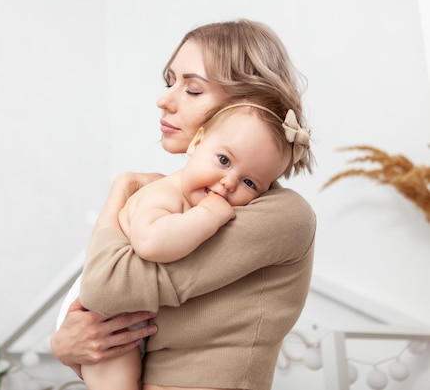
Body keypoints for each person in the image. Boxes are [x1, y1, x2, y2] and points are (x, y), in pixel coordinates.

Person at [50, 19, 316, 390]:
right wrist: (65, 345)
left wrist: (120, 192)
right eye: (169, 81)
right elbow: (121, 322)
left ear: (245, 102)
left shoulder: (283, 214)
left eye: (192, 89)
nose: (164, 99)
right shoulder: (185, 201)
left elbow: (104, 286)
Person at [80, 101, 312, 390]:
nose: (228, 183)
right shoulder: (163, 193)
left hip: (131, 319)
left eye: (250, 183)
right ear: (198, 142)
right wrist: (206, 217)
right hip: (111, 320)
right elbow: (151, 243)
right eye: (224, 161)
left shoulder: (284, 215)